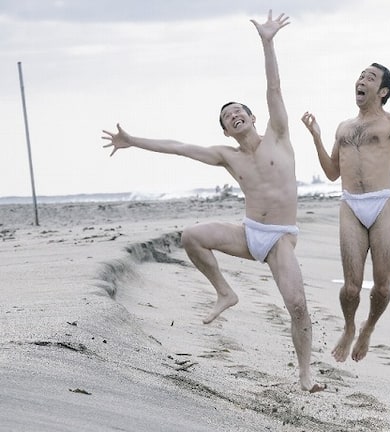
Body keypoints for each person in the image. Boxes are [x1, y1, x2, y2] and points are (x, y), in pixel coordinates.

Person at [101, 11, 323, 393]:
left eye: (239, 111)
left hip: (279, 238)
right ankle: (224, 291)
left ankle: (305, 375)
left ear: (253, 117)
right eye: (227, 117)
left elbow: (273, 87)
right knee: (192, 236)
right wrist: (133, 141)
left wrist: (267, 42)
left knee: (297, 305)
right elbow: (178, 148)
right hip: (249, 232)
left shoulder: (279, 135)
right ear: (225, 130)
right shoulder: (226, 155)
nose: (234, 116)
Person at [300, 63, 390, 363]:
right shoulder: (344, 128)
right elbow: (331, 173)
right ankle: (350, 326)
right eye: (361, 76)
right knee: (351, 288)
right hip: (351, 205)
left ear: (383, 91)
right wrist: (316, 137)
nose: (362, 80)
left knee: (383, 287)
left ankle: (369, 327)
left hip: (382, 204)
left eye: (370, 78)